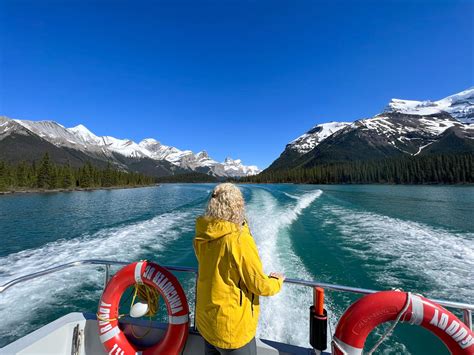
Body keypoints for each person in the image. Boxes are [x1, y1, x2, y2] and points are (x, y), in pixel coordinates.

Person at [193, 183, 285, 355]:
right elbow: (258, 285)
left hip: (207, 324)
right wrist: (277, 281)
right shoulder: (239, 239)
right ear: (237, 205)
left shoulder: (203, 235)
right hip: (231, 330)